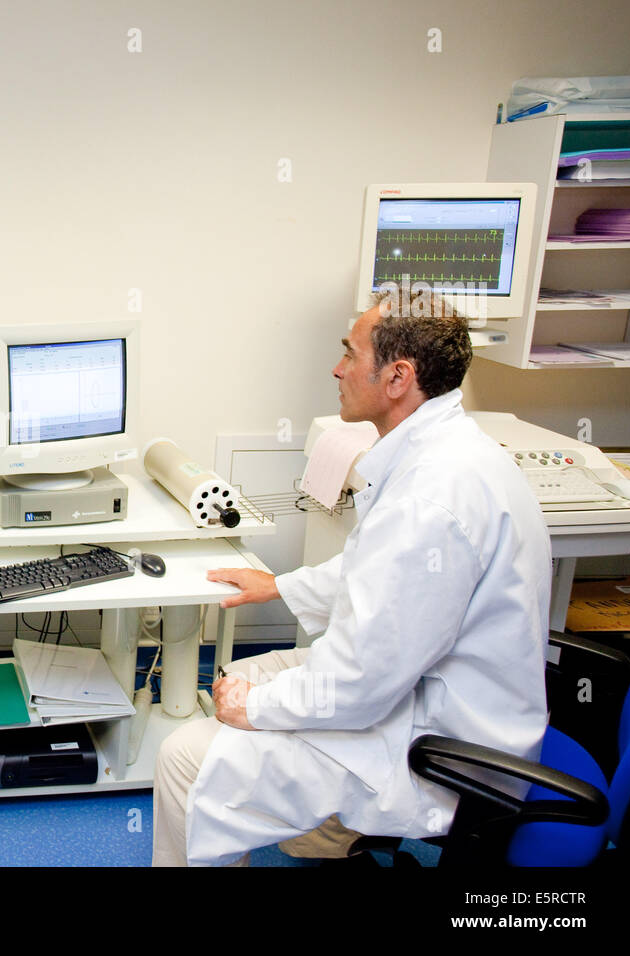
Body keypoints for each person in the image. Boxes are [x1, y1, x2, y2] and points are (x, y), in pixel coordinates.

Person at [152, 290, 552, 866]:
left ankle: (321, 813)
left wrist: (256, 710)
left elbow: (362, 680)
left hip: (442, 750)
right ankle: (326, 829)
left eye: (350, 352)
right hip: (436, 695)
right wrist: (281, 587)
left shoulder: (430, 500)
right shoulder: (444, 452)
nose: (337, 368)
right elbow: (378, 573)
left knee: (188, 755)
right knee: (242, 674)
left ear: (397, 376)